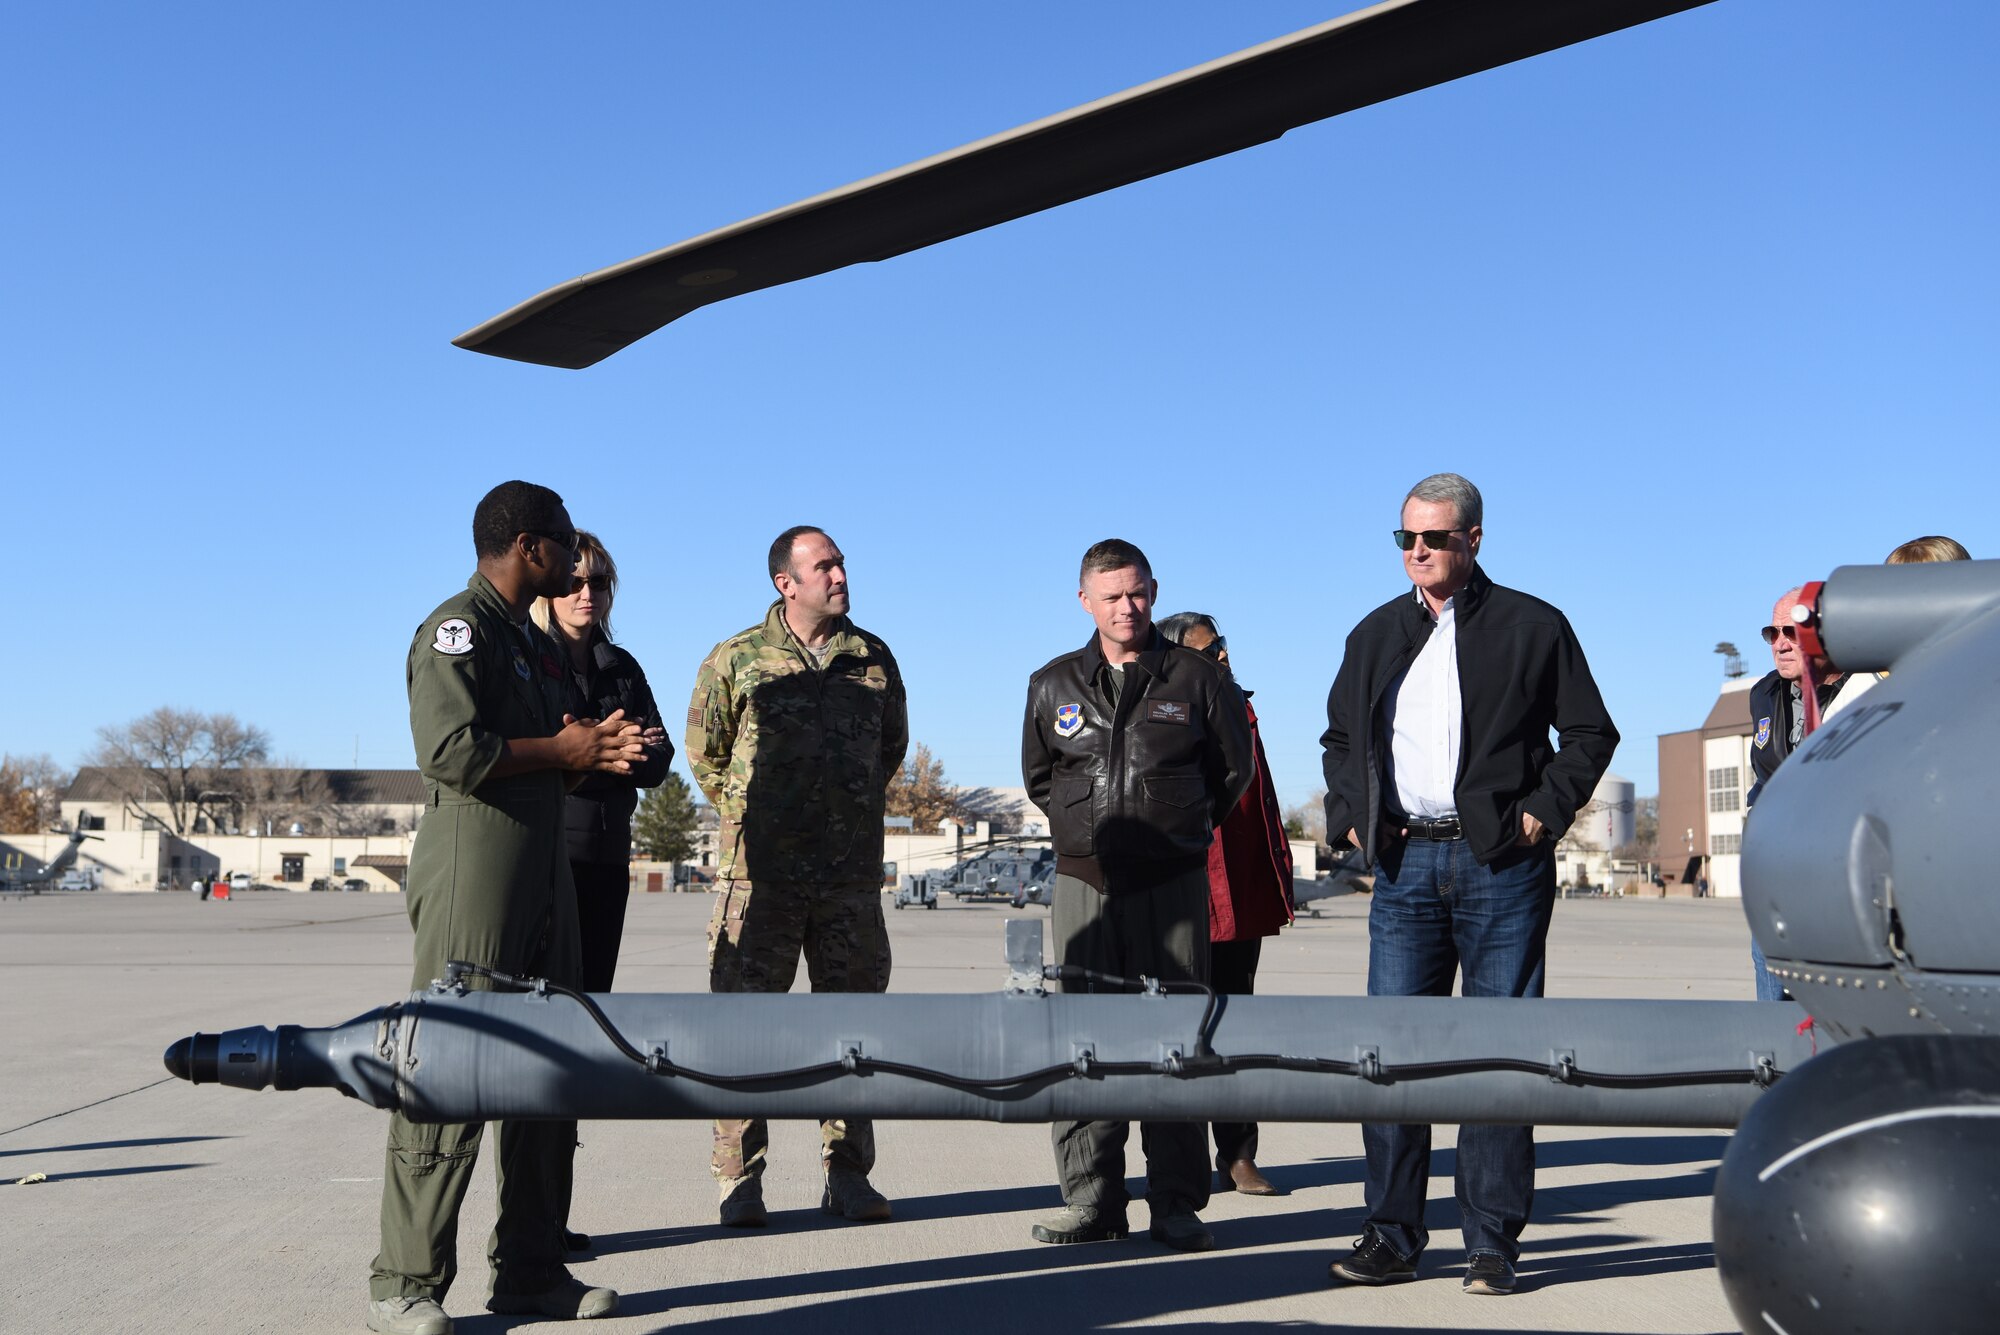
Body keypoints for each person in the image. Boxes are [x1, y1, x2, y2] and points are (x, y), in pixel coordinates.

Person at [1319, 473, 1617, 1297]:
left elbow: (1591, 731)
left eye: (1435, 538)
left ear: (1474, 539)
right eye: (1406, 539)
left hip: (1501, 866)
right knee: (1391, 1052)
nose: (1418, 552)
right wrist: (1352, 813)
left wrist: (1538, 816)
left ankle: (1490, 1240)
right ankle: (1389, 1233)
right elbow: (1340, 735)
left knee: (1499, 1051)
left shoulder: (1533, 625)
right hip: (1405, 864)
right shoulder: (1374, 632)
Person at [368, 481, 643, 1335]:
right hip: (474, 878)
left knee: (547, 1068)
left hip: (543, 877)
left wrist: (587, 753)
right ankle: (404, 1283)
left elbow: (536, 755)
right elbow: (448, 749)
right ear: (529, 545)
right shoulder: (460, 629)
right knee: (449, 1067)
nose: (572, 555)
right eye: (562, 539)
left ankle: (529, 1267)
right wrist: (560, 747)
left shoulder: (531, 642)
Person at [1022, 541, 1254, 1253]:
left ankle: (1178, 1204)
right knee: (1080, 1042)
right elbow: (1039, 778)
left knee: (1176, 1042)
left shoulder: (1196, 679)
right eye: (1111, 595)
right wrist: (1085, 836)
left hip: (1171, 885)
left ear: (1153, 590)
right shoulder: (1052, 683)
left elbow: (1230, 775)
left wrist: (1177, 831)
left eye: (1137, 593)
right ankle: (1091, 1198)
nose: (1127, 608)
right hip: (1082, 885)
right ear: (1085, 600)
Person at [685, 525, 908, 1229]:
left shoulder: (872, 658)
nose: (840, 573)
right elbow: (706, 754)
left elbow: (889, 748)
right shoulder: (737, 658)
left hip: (847, 880)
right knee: (744, 1030)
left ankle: (847, 1176)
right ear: (787, 582)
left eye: (840, 562)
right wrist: (757, 817)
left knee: (852, 1029)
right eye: (825, 565)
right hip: (761, 880)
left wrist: (841, 813)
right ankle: (739, 1182)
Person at [529, 530, 674, 1253]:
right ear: (550, 588)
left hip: (605, 864)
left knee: (584, 1036)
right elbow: (541, 751)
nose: (588, 594)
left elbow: (658, 756)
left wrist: (610, 746)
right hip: (545, 863)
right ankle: (528, 1222)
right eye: (576, 581)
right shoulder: (531, 660)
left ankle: (551, 1216)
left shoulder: (622, 666)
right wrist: (599, 747)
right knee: (538, 1041)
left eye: (601, 583)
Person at [1155, 611, 1294, 1198]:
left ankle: (1238, 1153)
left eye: (1223, 647)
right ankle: (1176, 1161)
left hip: (1237, 890)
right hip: (1183, 888)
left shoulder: (1240, 704)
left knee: (1237, 1022)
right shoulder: (1161, 709)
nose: (1224, 658)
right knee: (1180, 1028)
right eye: (1210, 652)